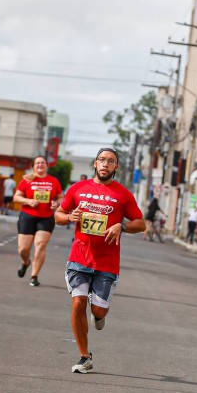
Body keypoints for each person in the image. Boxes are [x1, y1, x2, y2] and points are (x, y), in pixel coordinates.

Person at [55, 147, 145, 373]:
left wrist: (120, 225)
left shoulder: (123, 194)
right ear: (95, 164)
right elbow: (58, 215)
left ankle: (99, 315)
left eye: (111, 161)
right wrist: (68, 216)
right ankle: (85, 356)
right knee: (78, 303)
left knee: (98, 312)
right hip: (79, 257)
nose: (105, 164)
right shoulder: (78, 188)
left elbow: (140, 223)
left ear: (116, 167)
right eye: (102, 160)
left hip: (107, 262)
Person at [14, 155, 63, 287]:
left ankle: (34, 275)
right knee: (23, 249)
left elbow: (60, 198)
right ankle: (25, 262)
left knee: (40, 245)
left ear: (47, 166)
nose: (40, 165)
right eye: (37, 163)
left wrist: (56, 204)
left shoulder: (53, 181)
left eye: (43, 163)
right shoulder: (27, 180)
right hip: (27, 216)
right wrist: (28, 201)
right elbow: (16, 197)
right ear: (33, 166)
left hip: (46, 217)